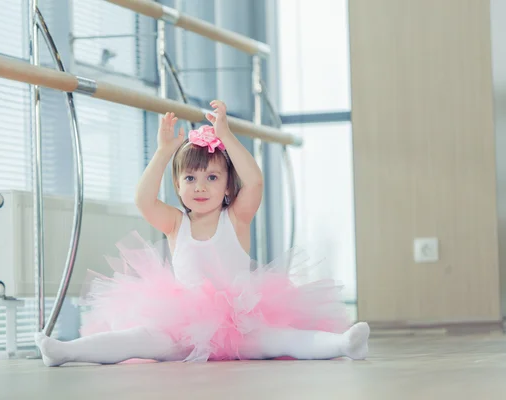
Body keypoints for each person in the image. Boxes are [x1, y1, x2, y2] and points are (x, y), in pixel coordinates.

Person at [34, 100, 370, 367]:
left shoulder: (236, 217)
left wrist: (225, 135)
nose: (200, 187)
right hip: (182, 327)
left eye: (212, 178)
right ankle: (65, 351)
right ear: (178, 186)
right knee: (134, 339)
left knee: (279, 339)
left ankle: (343, 344)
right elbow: (143, 199)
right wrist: (165, 151)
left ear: (227, 186)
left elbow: (255, 181)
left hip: (241, 325)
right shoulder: (176, 223)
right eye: (190, 178)